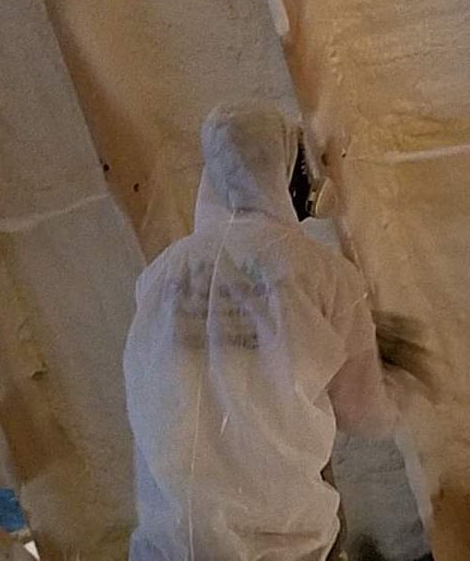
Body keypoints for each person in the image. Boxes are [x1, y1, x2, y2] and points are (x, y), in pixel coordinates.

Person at [126, 104, 398, 561]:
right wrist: (395, 371)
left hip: (170, 545)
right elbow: (364, 413)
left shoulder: (161, 274)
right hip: (284, 542)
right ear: (288, 173)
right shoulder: (322, 275)